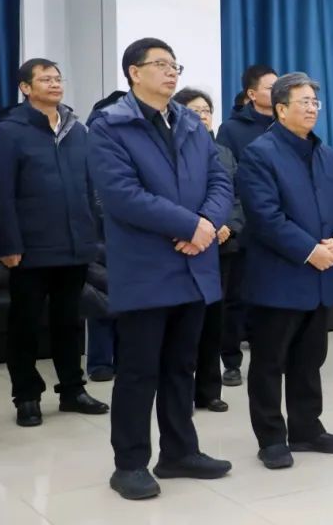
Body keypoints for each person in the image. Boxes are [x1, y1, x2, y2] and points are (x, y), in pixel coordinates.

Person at [88, 38, 233, 500]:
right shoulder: (109, 126)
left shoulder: (189, 121)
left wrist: (206, 223)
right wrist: (191, 225)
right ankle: (130, 464)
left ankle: (179, 452)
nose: (172, 72)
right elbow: (122, 196)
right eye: (161, 65)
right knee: (139, 371)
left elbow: (220, 179)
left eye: (175, 65)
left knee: (180, 366)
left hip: (194, 264)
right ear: (134, 72)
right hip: (146, 267)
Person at [0, 58, 110, 427]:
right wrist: (7, 243)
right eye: (45, 79)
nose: (55, 84)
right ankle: (26, 396)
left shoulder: (77, 131)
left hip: (74, 245)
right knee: (25, 324)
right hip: (29, 248)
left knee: (69, 322)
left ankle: (72, 390)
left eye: (57, 78)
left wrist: (92, 236)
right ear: (25, 87)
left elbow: (90, 187)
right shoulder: (7, 133)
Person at [238, 72, 333, 469]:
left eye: (315, 103)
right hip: (280, 277)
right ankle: (271, 437)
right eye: (303, 102)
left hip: (321, 274)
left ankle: (307, 429)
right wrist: (309, 251)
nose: (311, 109)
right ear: (281, 108)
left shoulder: (326, 153)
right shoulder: (260, 153)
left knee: (310, 359)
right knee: (270, 362)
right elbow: (265, 217)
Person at [172, 88, 246, 413]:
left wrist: (227, 224)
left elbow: (237, 195)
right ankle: (182, 392)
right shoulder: (171, 150)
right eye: (195, 111)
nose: (203, 116)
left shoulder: (223, 152)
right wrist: (200, 227)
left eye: (207, 110)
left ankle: (208, 391)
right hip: (187, 246)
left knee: (214, 321)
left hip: (222, 246)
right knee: (186, 325)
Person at [215, 64, 278, 387]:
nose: (277, 92)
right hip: (245, 226)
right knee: (235, 298)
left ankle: (270, 353)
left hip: (279, 227)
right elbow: (226, 179)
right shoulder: (231, 129)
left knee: (270, 295)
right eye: (270, 88)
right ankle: (231, 361)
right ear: (252, 94)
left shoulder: (286, 124)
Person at [83, 90, 127, 383]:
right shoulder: (89, 148)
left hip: (129, 236)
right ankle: (99, 362)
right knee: (99, 300)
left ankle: (124, 358)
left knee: (129, 301)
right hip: (97, 235)